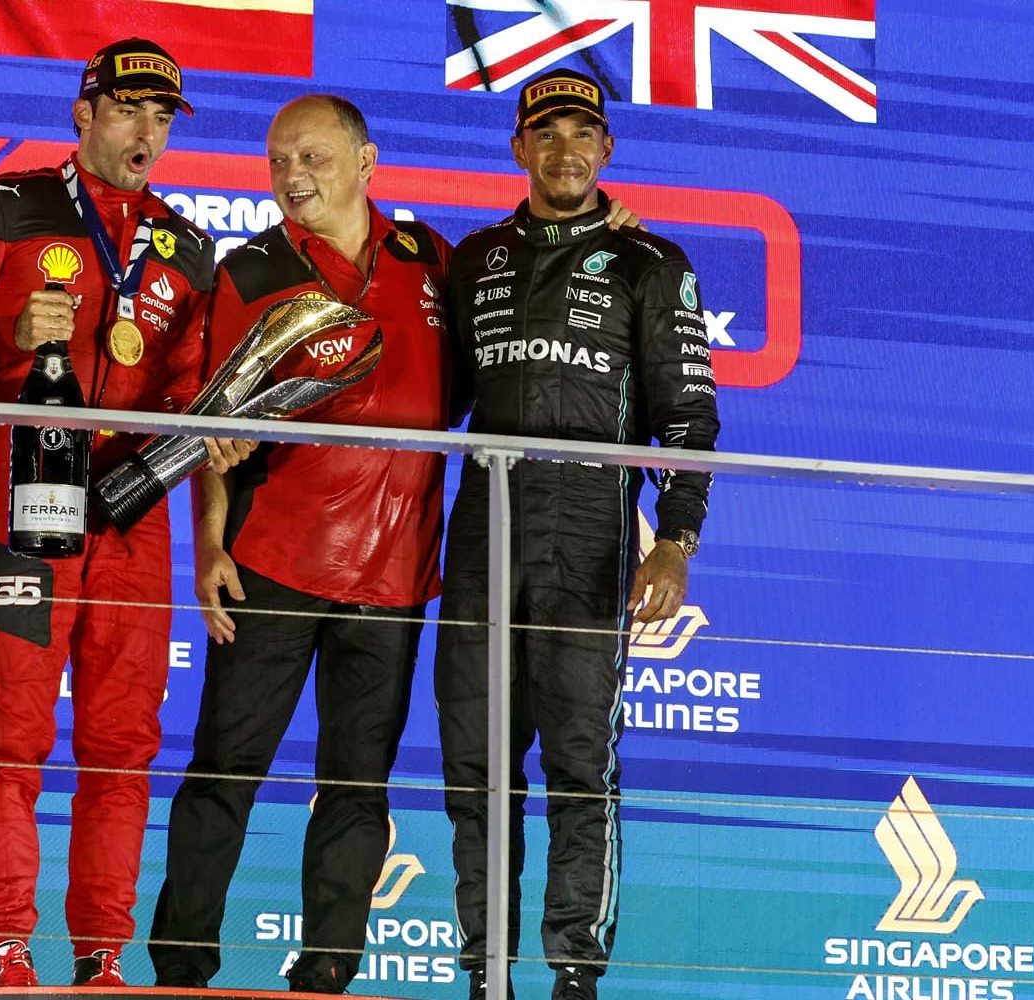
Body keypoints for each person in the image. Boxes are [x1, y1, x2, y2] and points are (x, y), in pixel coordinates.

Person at [0, 37, 247, 989]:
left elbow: (188, 391)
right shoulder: (4, 205)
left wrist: (212, 434)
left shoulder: (187, 246)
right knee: (11, 729)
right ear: (83, 111)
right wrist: (6, 334)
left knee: (122, 743)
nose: (146, 132)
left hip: (135, 520)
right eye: (128, 110)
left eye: (162, 117)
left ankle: (102, 957)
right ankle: (9, 951)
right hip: (27, 509)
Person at [146, 95, 453, 995]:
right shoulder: (251, 269)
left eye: (313, 158)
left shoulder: (431, 258)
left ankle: (327, 972)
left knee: (359, 786)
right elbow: (214, 425)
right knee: (222, 773)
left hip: (394, 575)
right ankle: (181, 969)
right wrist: (209, 544)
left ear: (366, 161)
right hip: (271, 560)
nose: (291, 177)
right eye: (278, 161)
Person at [435, 68, 721, 1000]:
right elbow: (431, 406)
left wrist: (673, 540)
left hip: (592, 526)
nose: (564, 151)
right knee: (478, 758)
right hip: (484, 522)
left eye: (581, 134)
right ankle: (485, 968)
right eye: (545, 134)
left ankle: (573, 976)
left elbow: (688, 418)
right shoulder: (474, 258)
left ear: (607, 150)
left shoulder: (653, 264)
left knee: (576, 758)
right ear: (518, 149)